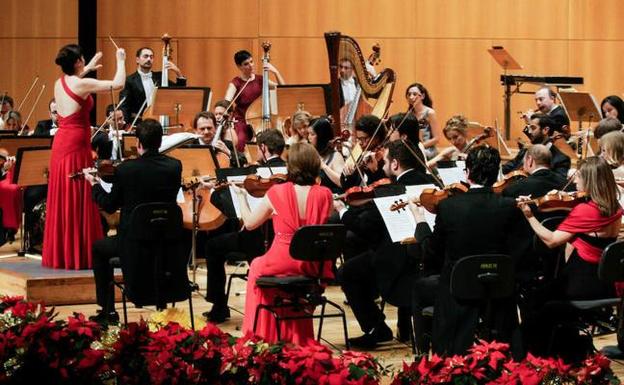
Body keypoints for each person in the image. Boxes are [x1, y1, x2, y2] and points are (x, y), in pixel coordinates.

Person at [409, 146, 521, 355]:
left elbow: (432, 252)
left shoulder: (449, 207)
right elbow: (517, 250)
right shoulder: (509, 206)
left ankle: (423, 355)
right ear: (497, 173)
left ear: (467, 172)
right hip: (500, 288)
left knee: (419, 287)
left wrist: (420, 221)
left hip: (457, 292)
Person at [518, 157, 622, 359]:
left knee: (535, 300)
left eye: (579, 177)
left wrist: (529, 215)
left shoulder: (586, 211)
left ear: (590, 181)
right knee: (542, 295)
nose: (574, 182)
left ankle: (534, 356)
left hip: (583, 285)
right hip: (606, 283)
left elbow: (551, 240)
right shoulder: (614, 207)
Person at [337, 139, 434, 349]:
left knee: (347, 272)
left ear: (396, 164)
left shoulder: (392, 191)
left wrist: (343, 211)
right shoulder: (433, 183)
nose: (383, 166)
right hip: (430, 257)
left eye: (386, 161)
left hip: (397, 263)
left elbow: (366, 226)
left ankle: (376, 328)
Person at [85, 119, 182, 324]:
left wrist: (94, 185)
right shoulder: (175, 166)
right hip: (166, 240)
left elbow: (110, 205)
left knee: (98, 248)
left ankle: (108, 310)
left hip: (134, 243)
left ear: (138, 143)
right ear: (160, 141)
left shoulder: (127, 169)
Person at [236, 143, 333, 345]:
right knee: (284, 279)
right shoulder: (325, 194)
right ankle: (297, 337)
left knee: (255, 266)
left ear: (291, 166)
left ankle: (261, 337)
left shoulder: (276, 192)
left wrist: (241, 199)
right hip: (312, 264)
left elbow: (251, 224)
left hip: (281, 260)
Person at [43, 44, 126, 269]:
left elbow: (75, 82)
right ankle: (77, 254)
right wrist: (121, 59)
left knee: (65, 194)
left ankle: (62, 253)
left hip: (61, 143)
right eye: (83, 59)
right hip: (76, 145)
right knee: (79, 193)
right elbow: (118, 84)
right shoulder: (82, 84)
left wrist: (87, 67)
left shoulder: (59, 82)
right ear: (78, 61)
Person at [225, 50, 285, 151]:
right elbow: (226, 102)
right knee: (241, 141)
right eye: (246, 64)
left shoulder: (260, 80)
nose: (251, 65)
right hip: (242, 120)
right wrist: (225, 110)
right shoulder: (236, 82)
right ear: (239, 66)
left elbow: (283, 89)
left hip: (258, 119)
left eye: (251, 62)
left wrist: (276, 72)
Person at [120, 47, 187, 122]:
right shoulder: (129, 81)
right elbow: (124, 106)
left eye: (151, 57)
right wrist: (125, 124)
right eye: (145, 56)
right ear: (137, 60)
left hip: (160, 121)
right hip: (139, 123)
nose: (149, 59)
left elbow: (179, 91)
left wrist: (178, 72)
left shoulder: (160, 77)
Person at [502, 113, 571, 176]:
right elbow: (508, 167)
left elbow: (556, 184)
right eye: (529, 128)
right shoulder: (525, 150)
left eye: (533, 128)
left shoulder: (561, 159)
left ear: (545, 130)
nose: (529, 131)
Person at [340, 114, 386, 190]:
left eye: (363, 139)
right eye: (358, 139)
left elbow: (384, 188)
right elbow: (346, 187)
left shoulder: (385, 158)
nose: (360, 143)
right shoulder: (364, 155)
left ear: (376, 137)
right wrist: (347, 174)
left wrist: (375, 172)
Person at [308, 117, 344, 193]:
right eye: (308, 134)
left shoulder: (336, 156)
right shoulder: (310, 155)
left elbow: (342, 183)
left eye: (312, 134)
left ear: (322, 137)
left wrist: (324, 166)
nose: (309, 138)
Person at [406, 83, 440, 159]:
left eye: (415, 94)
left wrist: (419, 147)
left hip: (428, 151)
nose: (411, 97)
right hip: (415, 151)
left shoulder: (430, 112)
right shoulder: (409, 114)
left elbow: (437, 138)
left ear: (423, 96)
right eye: (409, 94)